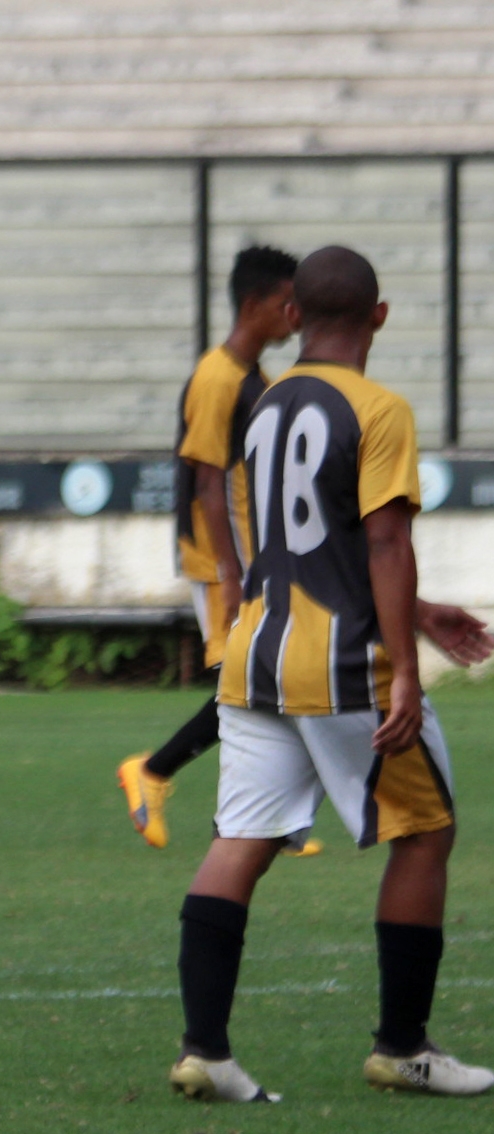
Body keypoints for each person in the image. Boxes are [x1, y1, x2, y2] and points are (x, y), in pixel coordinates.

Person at [168, 245, 494, 1102]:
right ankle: (403, 1048)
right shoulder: (379, 408)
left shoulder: (263, 403)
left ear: (293, 319)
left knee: (241, 841)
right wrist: (409, 672)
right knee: (425, 833)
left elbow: (301, 541)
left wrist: (424, 611)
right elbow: (382, 540)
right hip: (344, 663)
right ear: (378, 318)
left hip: (255, 656)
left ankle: (207, 1052)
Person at [118, 246, 307, 850]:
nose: (295, 316)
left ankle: (261, 818)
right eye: (287, 304)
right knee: (246, 687)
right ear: (255, 304)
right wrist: (230, 574)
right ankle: (153, 774)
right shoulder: (216, 378)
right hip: (222, 560)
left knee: (263, 683)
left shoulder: (257, 381)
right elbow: (206, 481)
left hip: (253, 558)